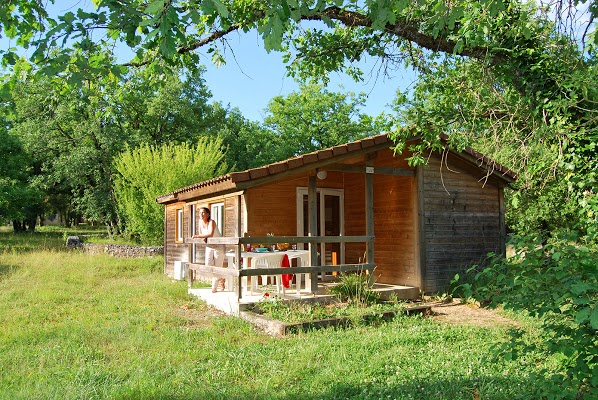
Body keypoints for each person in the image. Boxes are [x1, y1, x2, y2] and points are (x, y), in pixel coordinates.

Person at [192, 207, 225, 292]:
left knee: (217, 267)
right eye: (200, 213)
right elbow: (201, 233)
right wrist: (201, 236)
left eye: (203, 212)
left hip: (219, 246)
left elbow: (210, 234)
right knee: (208, 265)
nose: (201, 214)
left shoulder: (212, 222)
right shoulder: (200, 222)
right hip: (209, 245)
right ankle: (221, 279)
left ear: (208, 214)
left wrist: (197, 236)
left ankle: (214, 288)